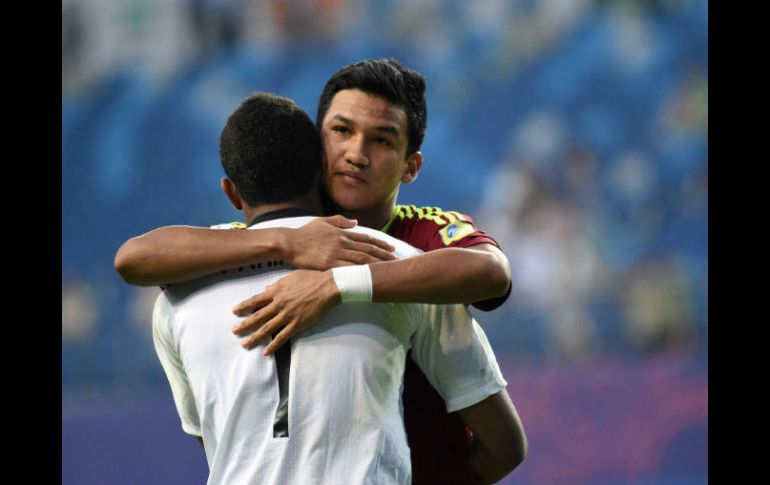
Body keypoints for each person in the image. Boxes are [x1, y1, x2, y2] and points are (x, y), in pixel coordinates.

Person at [115, 58, 515, 483]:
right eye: (341, 131)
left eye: (381, 140)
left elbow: (491, 271)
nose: (356, 154)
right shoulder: (249, 244)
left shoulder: (420, 241)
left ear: (410, 166)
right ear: (316, 141)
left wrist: (338, 284)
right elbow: (135, 256)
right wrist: (290, 242)